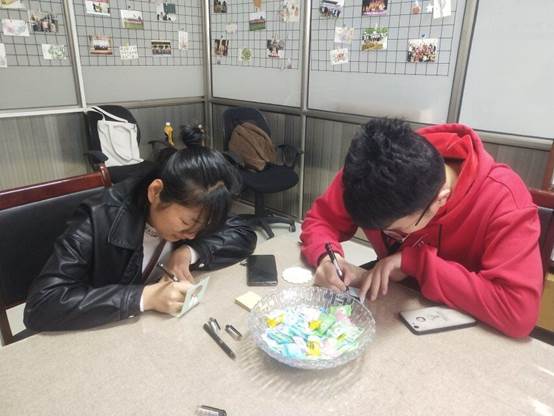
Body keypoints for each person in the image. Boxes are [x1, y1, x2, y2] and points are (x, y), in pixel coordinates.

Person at [300, 118, 543, 338]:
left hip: (460, 330)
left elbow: (518, 313)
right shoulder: (373, 172)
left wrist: (416, 263)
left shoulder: (504, 200)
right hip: (393, 305)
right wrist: (327, 258)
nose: (388, 236)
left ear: (439, 200)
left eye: (396, 230)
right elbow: (321, 220)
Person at [24, 146, 257, 331]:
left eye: (202, 227)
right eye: (186, 223)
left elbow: (243, 232)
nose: (193, 234)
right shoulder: (98, 217)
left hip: (153, 330)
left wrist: (188, 252)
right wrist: (145, 297)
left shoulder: (199, 206)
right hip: (103, 334)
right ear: (155, 192)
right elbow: (42, 305)